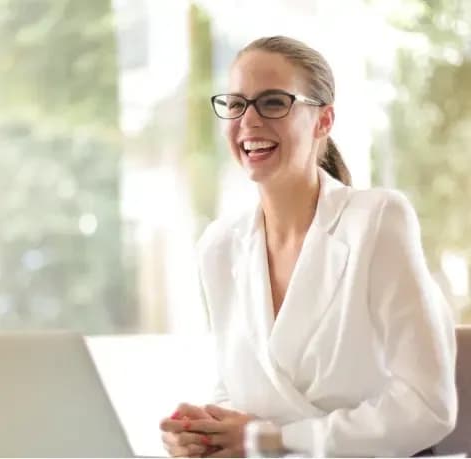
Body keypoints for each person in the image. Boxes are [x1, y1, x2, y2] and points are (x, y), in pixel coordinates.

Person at [159, 36, 457, 458]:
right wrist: (204, 431)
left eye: (274, 103)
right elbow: (237, 391)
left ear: (324, 120)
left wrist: (273, 440)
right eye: (236, 104)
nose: (249, 120)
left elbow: (427, 408)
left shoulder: (376, 220)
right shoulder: (219, 247)